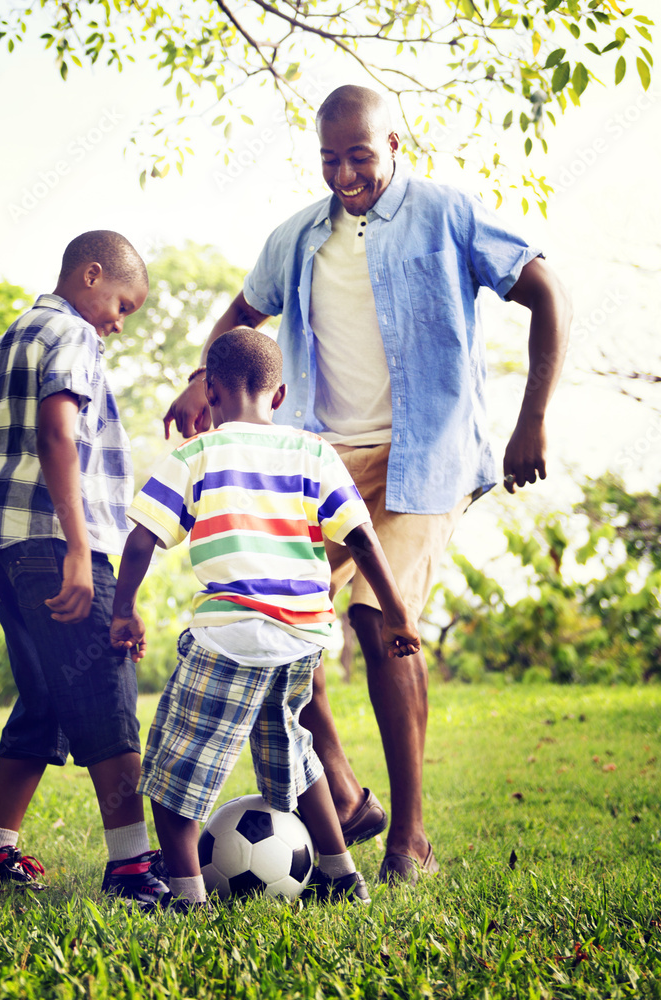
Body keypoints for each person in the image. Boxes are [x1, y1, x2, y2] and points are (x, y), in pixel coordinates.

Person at [163, 86, 572, 884]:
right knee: (277, 622)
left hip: (426, 453)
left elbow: (548, 292)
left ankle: (409, 835)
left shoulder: (447, 213)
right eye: (329, 158)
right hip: (320, 457)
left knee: (379, 618)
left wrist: (534, 420)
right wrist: (196, 381)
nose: (345, 172)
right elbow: (241, 315)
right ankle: (345, 796)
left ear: (395, 145)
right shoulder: (299, 237)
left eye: (360, 155)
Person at [110, 327, 421, 909]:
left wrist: (124, 611)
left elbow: (141, 539)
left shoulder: (193, 454)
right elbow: (363, 538)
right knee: (294, 754)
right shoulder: (314, 453)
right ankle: (341, 875)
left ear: (211, 392)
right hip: (302, 637)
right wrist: (397, 614)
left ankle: (187, 898)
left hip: (231, 635)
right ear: (278, 397)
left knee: (171, 773)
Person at [0, 230, 168, 906]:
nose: (119, 322)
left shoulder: (15, 333)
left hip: (0, 541)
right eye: (123, 305)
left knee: (46, 694)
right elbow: (56, 432)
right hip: (51, 540)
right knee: (105, 685)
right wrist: (78, 547)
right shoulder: (73, 335)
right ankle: (133, 869)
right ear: (92, 275)